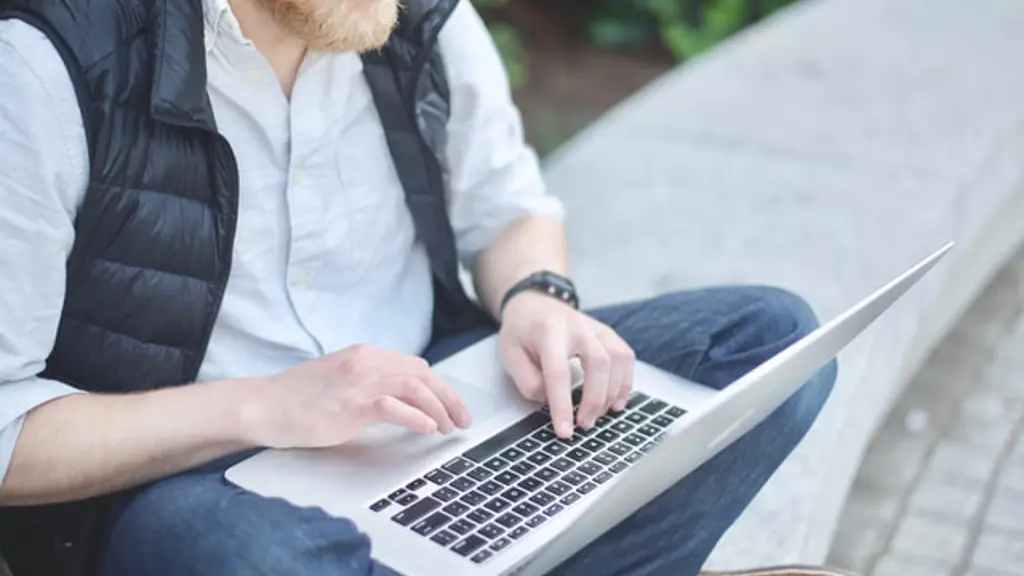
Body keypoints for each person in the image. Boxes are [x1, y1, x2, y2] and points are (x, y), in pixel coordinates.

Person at [0, 0, 842, 574]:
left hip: (437, 405)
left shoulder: (413, 13)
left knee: (772, 344)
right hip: (197, 472)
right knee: (243, 558)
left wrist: (538, 297)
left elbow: (510, 211)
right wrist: (264, 406)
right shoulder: (44, 66)